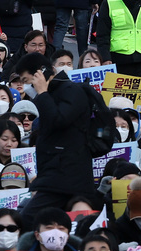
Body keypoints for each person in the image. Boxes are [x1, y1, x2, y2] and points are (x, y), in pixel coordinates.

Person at [15, 51, 91, 216]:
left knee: (28, 218)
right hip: (55, 175)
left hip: (67, 177)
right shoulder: (52, 94)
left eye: (26, 81)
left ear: (41, 73)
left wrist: (42, 93)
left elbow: (58, 120)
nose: (25, 87)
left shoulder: (71, 91)